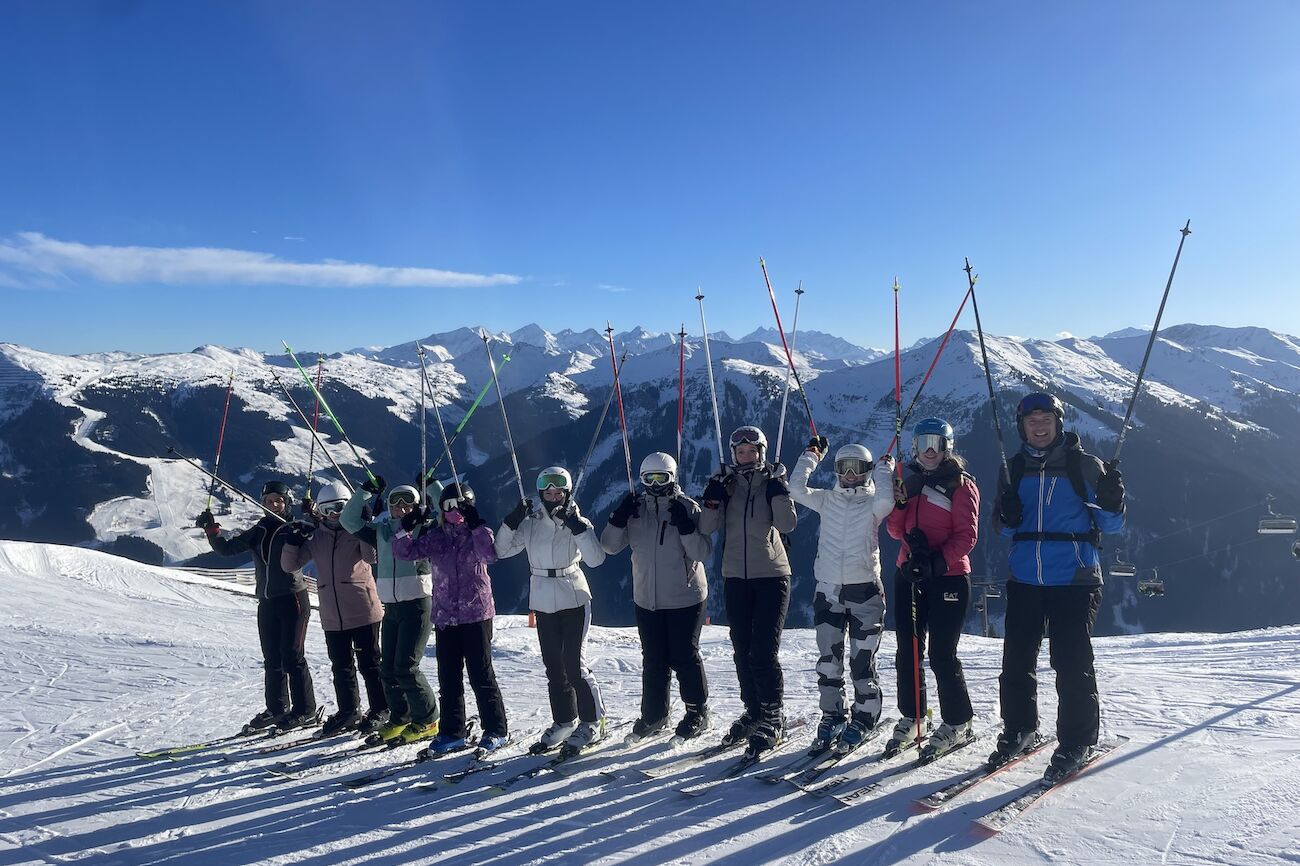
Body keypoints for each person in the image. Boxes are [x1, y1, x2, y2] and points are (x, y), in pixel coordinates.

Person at [992, 392, 1125, 782]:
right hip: (1025, 579)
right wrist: (1009, 516)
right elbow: (1003, 528)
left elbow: (1114, 527)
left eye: (1046, 418)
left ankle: (1077, 740)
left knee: (1071, 664)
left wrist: (1114, 502)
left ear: (1059, 423)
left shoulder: (1084, 466)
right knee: (1016, 661)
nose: (1039, 425)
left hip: (1075, 578)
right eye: (1032, 420)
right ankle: (1020, 727)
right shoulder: (1011, 468)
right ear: (1022, 426)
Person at [789, 437, 896, 755]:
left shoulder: (874, 503)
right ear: (836, 470)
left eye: (858, 469)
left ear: (866, 471)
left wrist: (885, 470)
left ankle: (865, 717)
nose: (850, 474)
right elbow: (795, 488)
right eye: (843, 468)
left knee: (862, 662)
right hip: (828, 591)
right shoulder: (826, 500)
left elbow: (888, 502)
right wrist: (810, 456)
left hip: (865, 593)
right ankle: (833, 714)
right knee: (828, 662)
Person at [699, 425, 797, 756]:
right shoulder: (727, 484)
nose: (746, 457)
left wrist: (779, 491)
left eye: (751, 451)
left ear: (761, 452)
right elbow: (706, 529)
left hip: (771, 575)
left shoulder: (772, 482)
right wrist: (712, 498)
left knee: (763, 651)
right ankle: (754, 711)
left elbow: (787, 525)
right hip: (735, 577)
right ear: (733, 454)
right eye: (740, 452)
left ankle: (773, 715)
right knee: (741, 649)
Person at [601, 453, 713, 745]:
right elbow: (609, 546)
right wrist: (617, 517)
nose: (653, 484)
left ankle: (697, 711)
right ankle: (654, 714)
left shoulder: (687, 508)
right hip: (646, 597)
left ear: (672, 478)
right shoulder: (636, 510)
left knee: (683, 655)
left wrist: (686, 526)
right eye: (647, 478)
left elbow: (702, 552)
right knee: (653, 659)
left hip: (685, 596)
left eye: (660, 478)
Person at [885, 418, 980, 759]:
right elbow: (895, 532)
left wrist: (937, 563)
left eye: (936, 443)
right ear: (914, 445)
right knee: (907, 651)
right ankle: (913, 715)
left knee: (942, 653)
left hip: (948, 576)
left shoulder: (960, 484)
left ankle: (958, 721)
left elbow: (967, 536)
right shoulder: (907, 479)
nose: (929, 450)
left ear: (947, 447)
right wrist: (898, 505)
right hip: (909, 572)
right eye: (923, 442)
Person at [496, 466, 609, 754]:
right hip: (543, 599)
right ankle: (564, 720)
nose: (553, 496)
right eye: (548, 492)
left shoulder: (576, 521)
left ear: (567, 493)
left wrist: (577, 526)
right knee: (554, 668)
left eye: (559, 492)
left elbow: (596, 560)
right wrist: (511, 521)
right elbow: (500, 551)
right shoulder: (531, 522)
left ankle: (593, 721)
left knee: (575, 665)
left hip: (573, 596)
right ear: (540, 493)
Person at [392, 482, 509, 752]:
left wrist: (477, 524)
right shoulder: (436, 537)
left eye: (459, 506)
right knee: (449, 677)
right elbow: (403, 552)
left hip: (476, 615)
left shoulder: (478, 534)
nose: (453, 512)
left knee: (481, 675)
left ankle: (496, 729)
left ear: (469, 506)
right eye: (447, 507)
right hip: (446, 616)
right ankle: (452, 731)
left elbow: (490, 555)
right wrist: (406, 527)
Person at [196, 480, 318, 732]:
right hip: (267, 601)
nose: (273, 505)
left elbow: (321, 537)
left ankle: (305, 711)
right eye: (268, 501)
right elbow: (227, 550)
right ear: (262, 504)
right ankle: (277, 708)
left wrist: (312, 516)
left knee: (292, 656)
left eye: (279, 501)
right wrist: (212, 530)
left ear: (287, 504)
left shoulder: (296, 528)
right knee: (272, 658)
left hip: (293, 599)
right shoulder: (260, 530)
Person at [339, 475, 443, 746]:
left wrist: (432, 487)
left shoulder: (425, 528)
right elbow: (348, 521)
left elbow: (447, 512)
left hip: (418, 602)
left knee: (407, 666)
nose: (401, 508)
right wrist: (364, 490)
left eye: (408, 504)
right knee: (388, 668)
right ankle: (401, 717)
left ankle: (428, 719)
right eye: (395, 504)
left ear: (417, 506)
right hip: (392, 605)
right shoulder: (382, 530)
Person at [280, 479, 388, 739]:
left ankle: (381, 708)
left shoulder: (354, 531)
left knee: (370, 664)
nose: (333, 515)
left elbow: (372, 557)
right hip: (332, 614)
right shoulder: (317, 536)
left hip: (363, 609)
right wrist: (292, 541)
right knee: (341, 666)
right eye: (327, 510)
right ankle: (349, 710)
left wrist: (362, 524)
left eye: (340, 508)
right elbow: (289, 565)